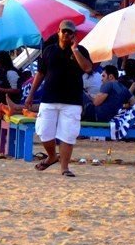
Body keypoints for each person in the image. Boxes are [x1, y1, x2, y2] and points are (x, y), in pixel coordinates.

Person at [24, 20, 92, 176]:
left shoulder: (81, 50)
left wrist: (75, 50)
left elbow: (87, 68)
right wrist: (31, 94)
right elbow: (40, 73)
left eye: (70, 32)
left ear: (74, 35)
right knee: (44, 131)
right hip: (49, 97)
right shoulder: (49, 51)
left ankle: (64, 168)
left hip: (72, 100)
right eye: (64, 31)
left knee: (68, 135)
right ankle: (52, 156)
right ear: (58, 32)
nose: (67, 34)